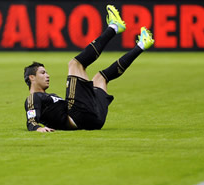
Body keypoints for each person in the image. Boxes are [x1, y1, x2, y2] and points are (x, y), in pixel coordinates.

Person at [24, 5, 154, 133]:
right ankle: (114, 27)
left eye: (46, 72)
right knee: (75, 64)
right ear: (32, 77)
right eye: (42, 73)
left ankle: (141, 45)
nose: (47, 75)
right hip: (78, 116)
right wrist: (37, 128)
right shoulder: (33, 98)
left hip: (95, 120)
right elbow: (31, 120)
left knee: (101, 78)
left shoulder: (50, 97)